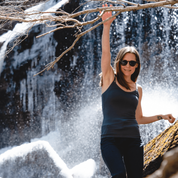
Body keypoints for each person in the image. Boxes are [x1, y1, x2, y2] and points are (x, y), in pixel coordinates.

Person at [100, 4, 176, 178]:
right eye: (124, 62)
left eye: (132, 63)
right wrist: (106, 26)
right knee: (118, 174)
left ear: (137, 66)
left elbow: (139, 118)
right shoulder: (109, 79)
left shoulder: (138, 89)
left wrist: (162, 116)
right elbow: (105, 53)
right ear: (119, 63)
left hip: (133, 141)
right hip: (110, 140)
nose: (128, 66)